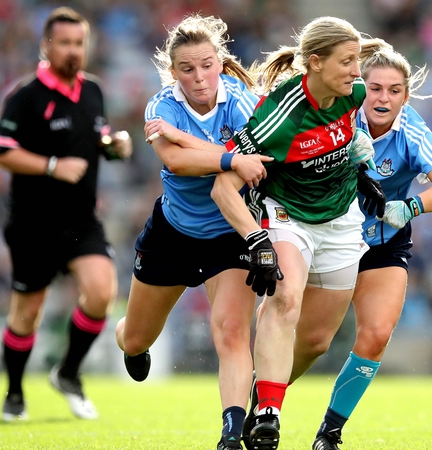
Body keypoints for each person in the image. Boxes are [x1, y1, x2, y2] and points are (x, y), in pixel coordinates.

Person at [192, 17, 385, 450]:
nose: (357, 73)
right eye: (347, 62)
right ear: (315, 63)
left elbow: (348, 134)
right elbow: (223, 189)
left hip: (341, 219)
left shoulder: (352, 94)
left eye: (357, 60)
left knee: (316, 341)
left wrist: (362, 168)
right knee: (286, 298)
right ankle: (268, 415)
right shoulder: (278, 117)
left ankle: (262, 389)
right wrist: (255, 239)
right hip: (287, 216)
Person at [113, 14, 271, 450]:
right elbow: (177, 163)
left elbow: (255, 162)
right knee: (137, 336)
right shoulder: (162, 107)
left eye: (206, 65)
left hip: (230, 233)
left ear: (220, 62)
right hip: (174, 233)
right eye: (187, 69)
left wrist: (204, 148)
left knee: (232, 332)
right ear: (173, 72)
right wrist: (232, 158)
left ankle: (231, 433)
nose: (199, 77)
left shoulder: (242, 102)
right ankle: (129, 342)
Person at [297, 42, 432, 449]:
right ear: (361, 88)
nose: (383, 98)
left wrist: (411, 206)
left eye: (394, 90)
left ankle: (329, 433)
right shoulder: (339, 112)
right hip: (329, 237)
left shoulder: (412, 130)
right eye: (375, 88)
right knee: (313, 342)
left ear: (406, 97)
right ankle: (264, 400)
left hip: (383, 243)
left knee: (376, 334)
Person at [0, 7, 133, 422]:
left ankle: (68, 374)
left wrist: (114, 145)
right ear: (46, 46)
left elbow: (95, 136)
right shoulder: (26, 95)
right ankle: (15, 393)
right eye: (65, 43)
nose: (73, 51)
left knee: (102, 293)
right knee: (27, 313)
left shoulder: (94, 90)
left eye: (79, 43)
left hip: (81, 219)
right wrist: (52, 166)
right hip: (33, 223)